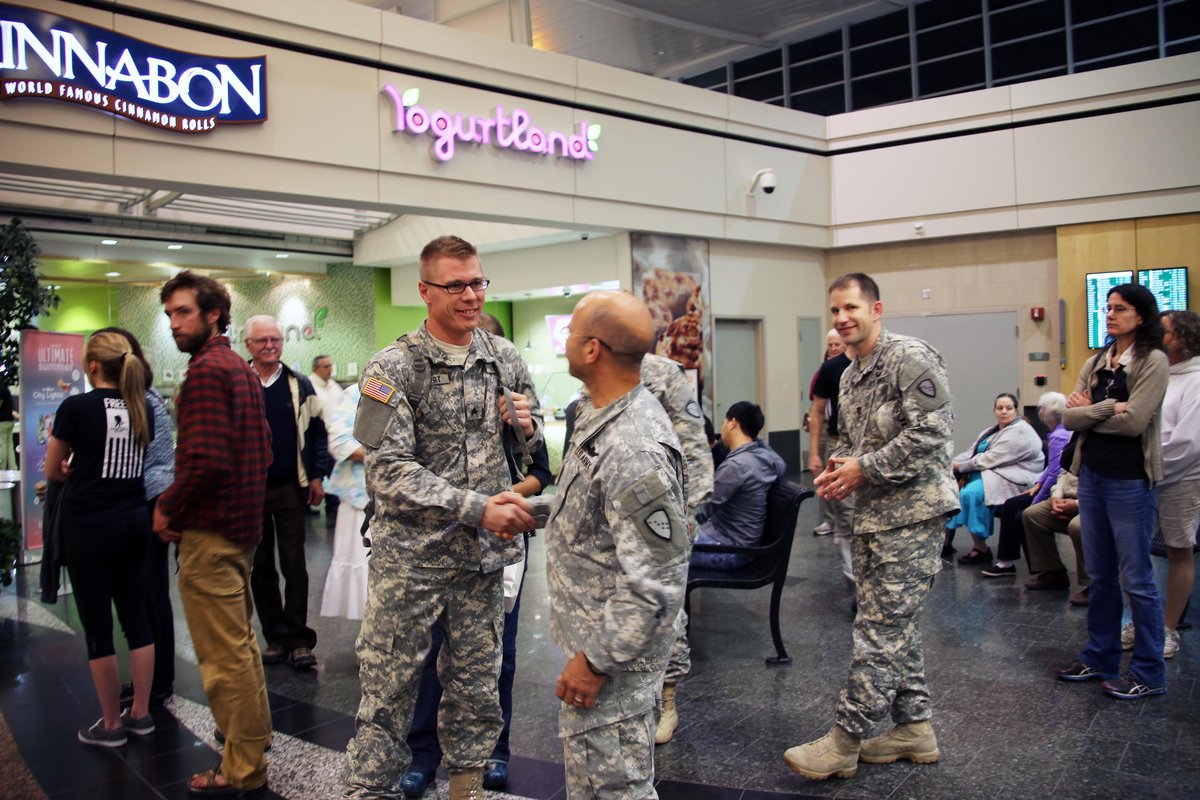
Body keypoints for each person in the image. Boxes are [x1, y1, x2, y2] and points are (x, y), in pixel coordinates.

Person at [343, 235, 541, 800]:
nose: (471, 295)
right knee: (387, 692)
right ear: (425, 290)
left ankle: (467, 788)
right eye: (456, 285)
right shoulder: (393, 367)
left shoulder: (503, 358)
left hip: (481, 564)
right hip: (412, 563)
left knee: (477, 691)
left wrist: (524, 428)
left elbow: (528, 454)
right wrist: (478, 508)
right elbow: (388, 473)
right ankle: (368, 790)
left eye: (478, 281)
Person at [783, 272, 958, 781]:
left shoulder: (910, 357)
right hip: (873, 517)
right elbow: (856, 441)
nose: (842, 318)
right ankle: (914, 727)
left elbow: (931, 432)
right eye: (835, 310)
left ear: (876, 310)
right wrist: (842, 467)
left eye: (852, 308)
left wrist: (867, 469)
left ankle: (844, 740)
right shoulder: (848, 372)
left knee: (879, 631)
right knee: (892, 625)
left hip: (914, 516)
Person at [539, 289, 688, 799]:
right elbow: (602, 513)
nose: (566, 343)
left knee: (615, 790)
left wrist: (596, 661)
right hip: (599, 639)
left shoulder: (632, 445)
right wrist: (533, 512)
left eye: (571, 333)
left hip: (615, 659)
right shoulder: (599, 414)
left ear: (592, 350)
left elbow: (658, 578)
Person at [400, 311, 553, 796]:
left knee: (496, 654)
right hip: (437, 543)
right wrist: (466, 502)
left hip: (499, 543)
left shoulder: (514, 396)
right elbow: (404, 470)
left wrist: (507, 481)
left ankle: (495, 751)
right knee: (430, 653)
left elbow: (540, 472)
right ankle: (422, 753)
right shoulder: (424, 390)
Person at [154, 271, 273, 796]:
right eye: (170, 315)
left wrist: (167, 507)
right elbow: (265, 450)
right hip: (243, 530)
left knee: (224, 660)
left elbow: (203, 461)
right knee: (242, 647)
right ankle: (252, 741)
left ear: (213, 315)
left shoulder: (205, 372)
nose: (174, 323)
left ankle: (242, 768)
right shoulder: (241, 371)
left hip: (210, 534)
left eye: (182, 312)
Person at [1054, 283, 1169, 700]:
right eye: (1108, 308)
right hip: (1094, 476)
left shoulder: (1153, 360)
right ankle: (1099, 656)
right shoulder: (1099, 360)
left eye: (1120, 309)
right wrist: (1105, 408)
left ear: (1141, 316)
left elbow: (1136, 421)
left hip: (1130, 481)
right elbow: (1068, 418)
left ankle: (1149, 672)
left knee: (1137, 579)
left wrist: (1090, 413)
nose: (1110, 315)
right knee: (1101, 576)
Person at [45, 331, 156, 748]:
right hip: (134, 520)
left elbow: (54, 470)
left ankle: (110, 724)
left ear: (92, 366)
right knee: (137, 619)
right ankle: (141, 714)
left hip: (90, 524)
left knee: (98, 628)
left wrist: (78, 467)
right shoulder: (142, 405)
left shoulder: (76, 407)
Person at [91, 328, 177, 711]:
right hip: (139, 505)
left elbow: (154, 463)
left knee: (150, 598)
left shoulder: (143, 400)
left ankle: (158, 682)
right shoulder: (135, 399)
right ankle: (154, 681)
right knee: (144, 598)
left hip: (145, 505)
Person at [244, 315, 331, 671]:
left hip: (290, 487)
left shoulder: (300, 385)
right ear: (247, 344)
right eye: (262, 340)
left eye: (275, 340)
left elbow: (317, 433)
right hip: (249, 492)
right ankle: (275, 637)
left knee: (294, 563)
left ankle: (298, 639)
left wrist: (316, 476)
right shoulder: (239, 382)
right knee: (260, 566)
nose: (270, 345)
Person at [1121, 310, 1200, 658]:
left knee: (1178, 550)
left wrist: (1148, 465)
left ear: (1182, 338)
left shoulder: (1196, 379)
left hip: (1180, 477)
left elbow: (1189, 442)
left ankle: (1167, 629)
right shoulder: (1156, 372)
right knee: (1133, 552)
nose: (1154, 335)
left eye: (1163, 331)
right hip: (1142, 475)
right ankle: (1140, 623)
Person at [945, 393, 1042, 566]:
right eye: (1000, 408)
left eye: (1008, 408)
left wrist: (961, 467)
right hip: (991, 473)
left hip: (1014, 478)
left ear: (1016, 410)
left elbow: (991, 458)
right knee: (950, 488)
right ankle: (945, 542)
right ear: (994, 410)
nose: (1004, 412)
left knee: (970, 493)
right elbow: (972, 452)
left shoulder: (1021, 430)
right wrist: (953, 462)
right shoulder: (991, 431)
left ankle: (980, 548)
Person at [982, 392, 1070, 577]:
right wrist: (1038, 483)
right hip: (1051, 485)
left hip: (1061, 490)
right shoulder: (1060, 432)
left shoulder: (1058, 436)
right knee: (1011, 505)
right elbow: (1053, 466)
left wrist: (1038, 498)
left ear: (1044, 413)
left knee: (1020, 514)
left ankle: (1041, 567)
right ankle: (1007, 561)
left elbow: (1055, 472)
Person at [690, 401, 786, 569]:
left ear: (732, 423)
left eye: (723, 422)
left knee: (664, 547)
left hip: (729, 549)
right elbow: (781, 465)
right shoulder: (764, 457)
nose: (722, 428)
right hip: (742, 544)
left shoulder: (736, 467)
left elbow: (703, 508)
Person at [319, 382, 370, 621]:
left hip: (408, 503)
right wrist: (390, 458)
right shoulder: (359, 392)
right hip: (361, 501)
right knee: (367, 576)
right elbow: (340, 443)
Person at [809, 330, 855, 579]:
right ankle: (855, 582)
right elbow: (816, 412)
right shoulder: (830, 369)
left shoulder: (880, 363)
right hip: (838, 445)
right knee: (846, 517)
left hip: (870, 451)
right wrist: (814, 452)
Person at [1021, 465, 1089, 606]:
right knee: (1032, 515)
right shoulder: (1075, 443)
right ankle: (1054, 572)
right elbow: (1063, 472)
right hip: (1067, 498)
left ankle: (1095, 585)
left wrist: (1077, 504)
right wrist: (1056, 497)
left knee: (1078, 527)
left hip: (1093, 503)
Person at [810, 330, 845, 536]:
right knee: (827, 478)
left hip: (847, 437)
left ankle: (843, 522)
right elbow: (817, 407)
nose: (832, 348)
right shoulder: (826, 369)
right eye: (830, 345)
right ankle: (829, 520)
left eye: (836, 345)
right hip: (829, 432)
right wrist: (813, 452)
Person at [310, 354, 344, 527]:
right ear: (316, 368)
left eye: (331, 365)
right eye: (326, 366)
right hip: (320, 439)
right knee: (323, 472)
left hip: (336, 438)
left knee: (334, 472)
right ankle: (326, 503)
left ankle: (334, 504)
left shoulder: (334, 386)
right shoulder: (310, 385)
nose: (330, 369)